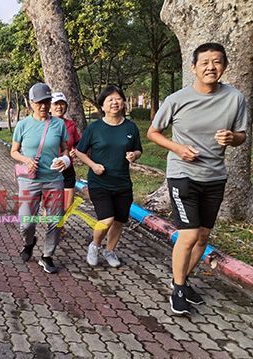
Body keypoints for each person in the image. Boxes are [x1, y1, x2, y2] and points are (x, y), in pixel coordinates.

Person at [147, 43, 247, 315]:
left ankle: (181, 279)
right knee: (189, 234)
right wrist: (178, 148)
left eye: (216, 62)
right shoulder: (176, 99)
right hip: (182, 174)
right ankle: (178, 289)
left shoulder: (235, 98)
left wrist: (232, 138)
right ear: (194, 68)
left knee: (203, 237)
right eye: (204, 62)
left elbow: (241, 135)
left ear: (224, 66)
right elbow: (153, 132)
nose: (210, 67)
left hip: (215, 176)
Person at [75, 85, 142, 269]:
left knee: (119, 221)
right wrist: (93, 165)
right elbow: (80, 152)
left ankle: (109, 251)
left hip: (122, 182)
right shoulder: (94, 128)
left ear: (123, 102)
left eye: (118, 98)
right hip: (99, 182)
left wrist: (134, 156)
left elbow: (138, 149)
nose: (115, 102)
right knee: (107, 219)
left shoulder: (130, 127)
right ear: (102, 106)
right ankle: (95, 246)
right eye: (109, 100)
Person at [11, 83, 70, 274]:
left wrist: (65, 159)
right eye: (39, 103)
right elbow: (14, 151)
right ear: (31, 103)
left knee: (54, 219)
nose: (43, 106)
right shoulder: (22, 125)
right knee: (26, 222)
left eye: (47, 102)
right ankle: (29, 242)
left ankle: (47, 256)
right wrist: (26, 159)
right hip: (29, 179)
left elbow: (66, 149)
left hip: (54, 179)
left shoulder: (59, 124)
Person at [50, 92, 81, 233]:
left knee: (67, 205)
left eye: (62, 104)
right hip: (50, 170)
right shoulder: (44, 124)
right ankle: (53, 227)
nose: (59, 107)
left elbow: (77, 142)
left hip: (68, 169)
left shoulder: (70, 124)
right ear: (50, 107)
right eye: (56, 104)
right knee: (52, 204)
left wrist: (75, 150)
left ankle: (58, 222)